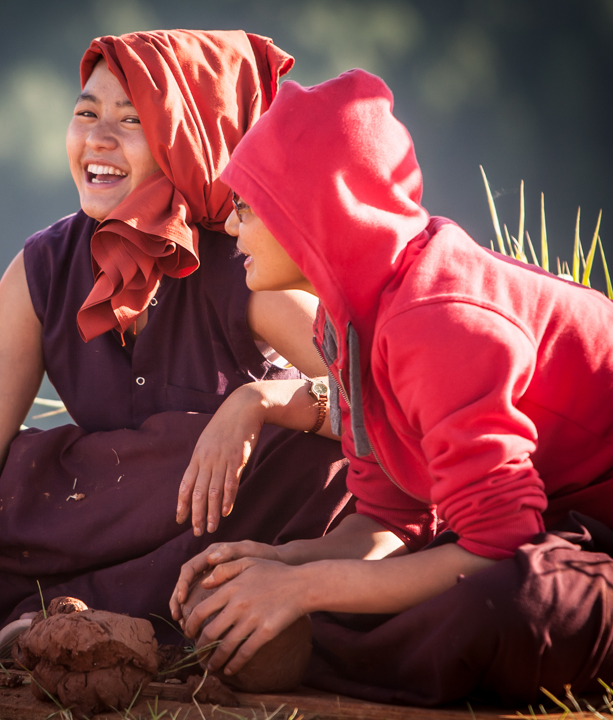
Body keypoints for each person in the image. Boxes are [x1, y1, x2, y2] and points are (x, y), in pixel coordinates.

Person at [0, 31, 351, 650]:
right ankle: (39, 617)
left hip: (208, 515)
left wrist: (258, 405)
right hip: (84, 501)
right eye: (86, 113)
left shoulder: (244, 263)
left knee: (307, 465)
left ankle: (77, 621)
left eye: (132, 119)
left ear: (186, 138)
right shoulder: (44, 266)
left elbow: (371, 404)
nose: (97, 138)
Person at [170, 69, 613, 706]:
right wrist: (279, 563)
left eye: (244, 209)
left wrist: (304, 590)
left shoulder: (436, 319)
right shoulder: (345, 315)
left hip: (583, 527)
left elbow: (500, 543)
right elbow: (389, 520)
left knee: (502, 608)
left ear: (310, 212)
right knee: (395, 601)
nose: (232, 232)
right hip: (540, 528)